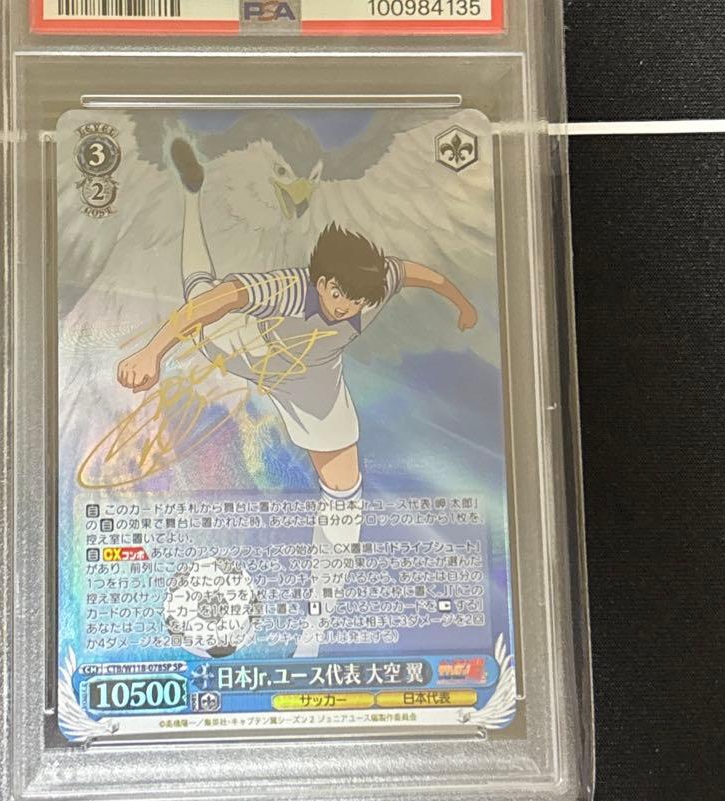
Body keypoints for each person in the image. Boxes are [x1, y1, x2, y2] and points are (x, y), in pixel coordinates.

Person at [117, 139, 478, 656]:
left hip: (312, 382)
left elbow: (427, 275)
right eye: (339, 295)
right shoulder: (287, 288)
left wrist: (461, 304)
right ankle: (192, 195)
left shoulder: (376, 282)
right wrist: (152, 351)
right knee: (200, 290)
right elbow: (221, 300)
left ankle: (316, 627)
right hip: (246, 349)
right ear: (322, 281)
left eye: (358, 300)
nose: (347, 306)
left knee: (344, 489)